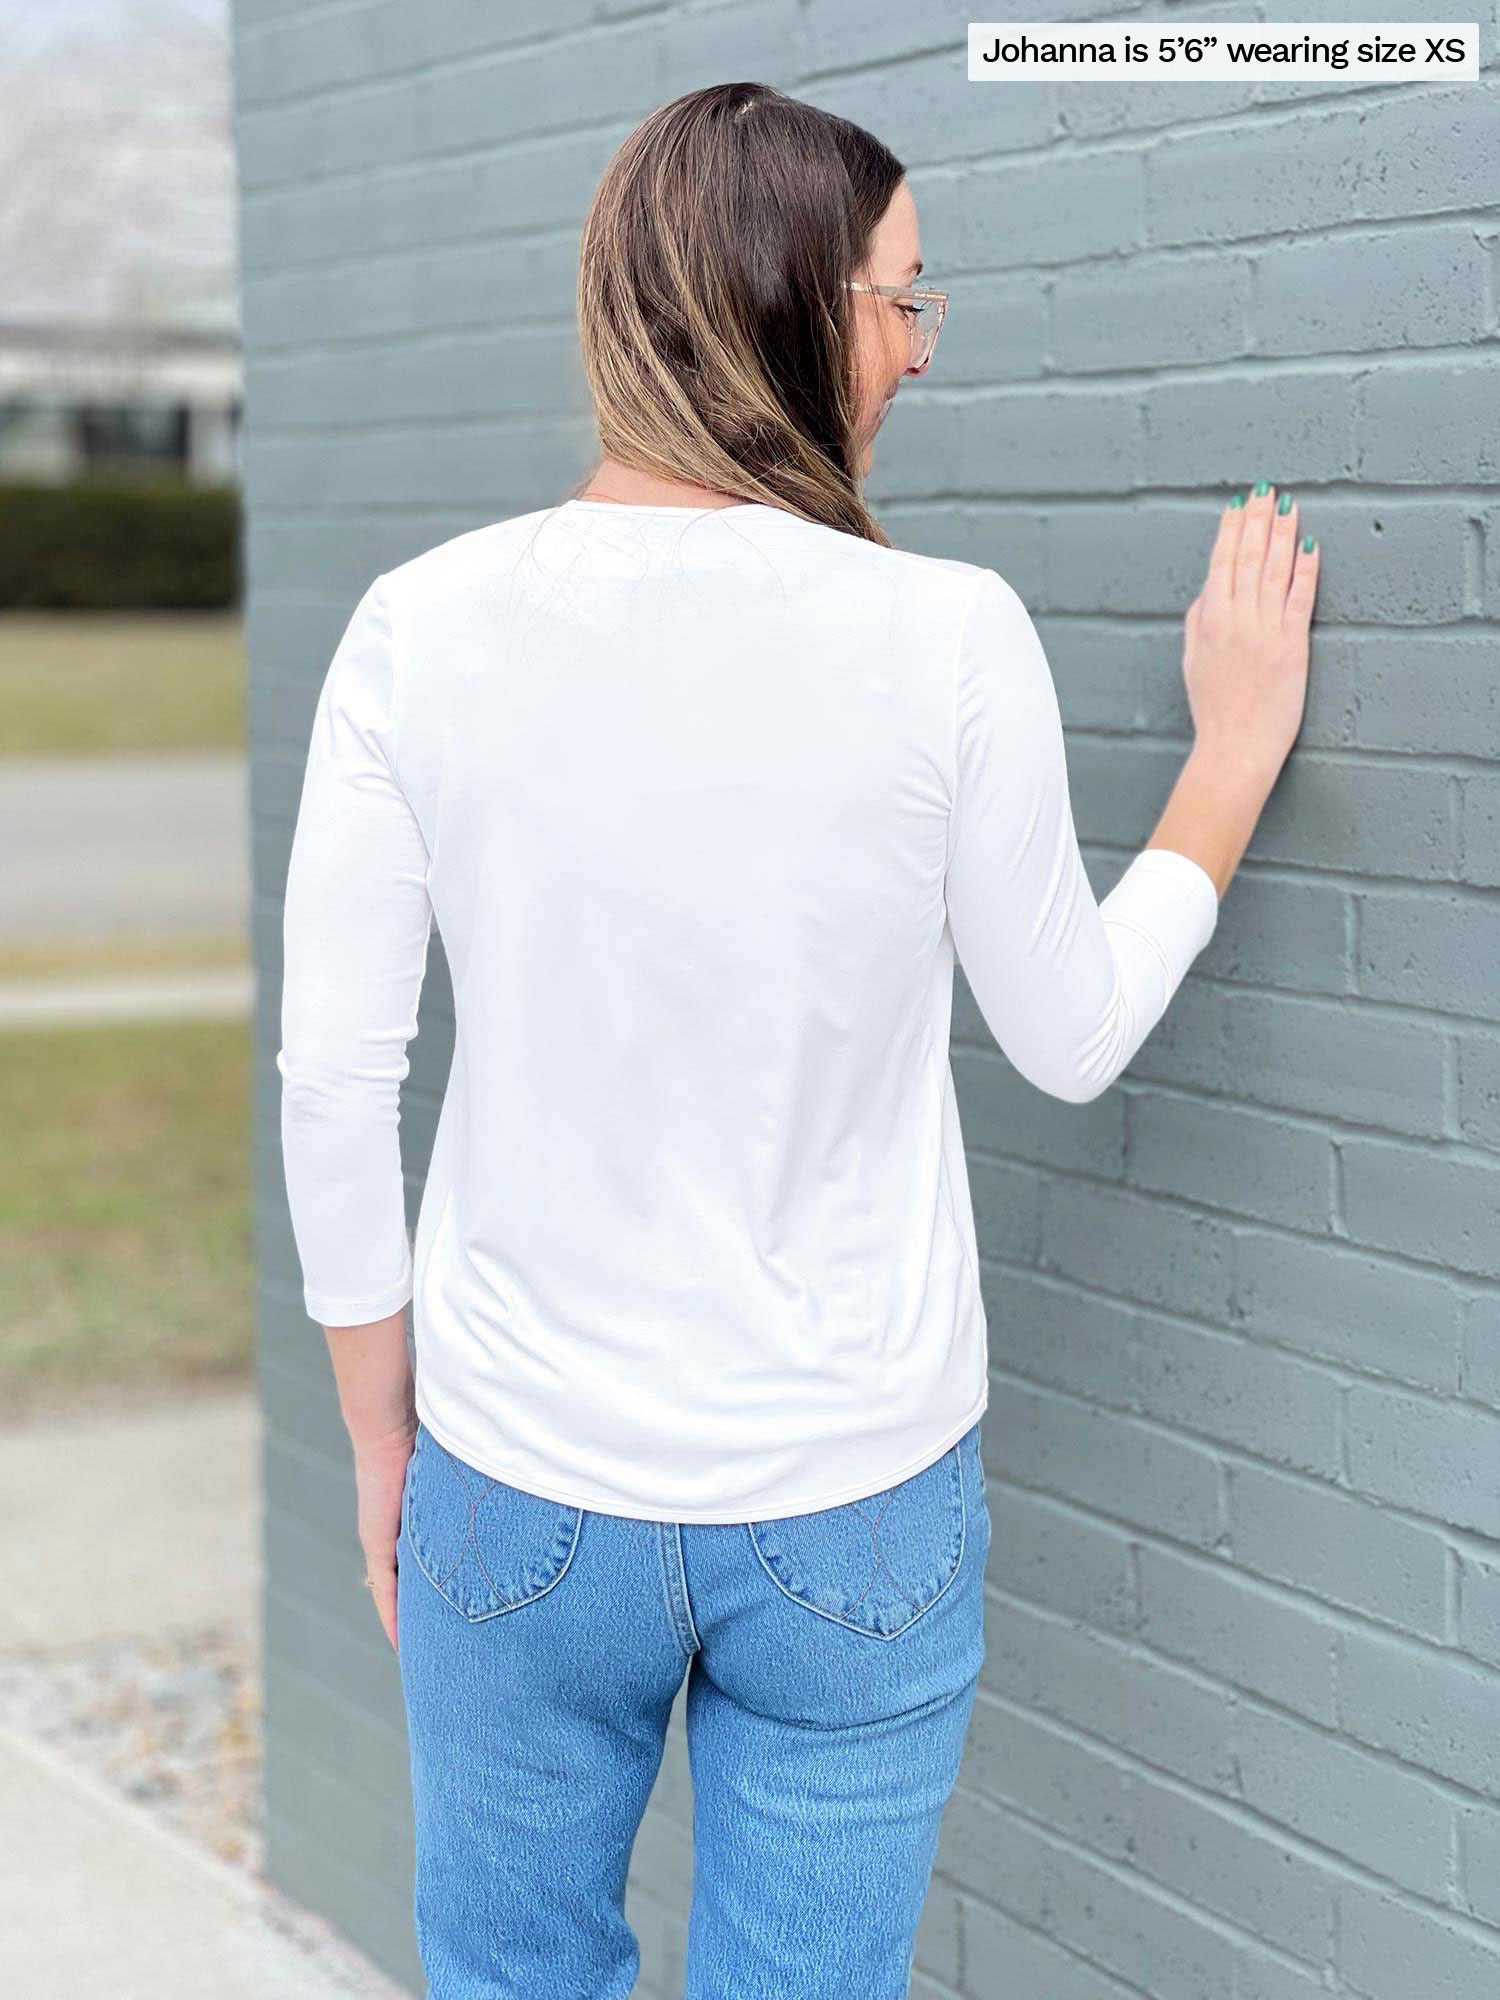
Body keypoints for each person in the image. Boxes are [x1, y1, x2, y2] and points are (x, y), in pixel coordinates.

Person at [275, 79, 1319, 2000]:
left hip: (515, 1486)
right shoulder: (946, 634)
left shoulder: (418, 628)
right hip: (857, 1508)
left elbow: (337, 1082)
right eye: (905, 301)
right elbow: (1071, 1035)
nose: (920, 352)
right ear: (790, 300)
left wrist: (376, 1443)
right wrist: (1232, 761)